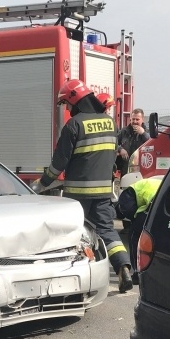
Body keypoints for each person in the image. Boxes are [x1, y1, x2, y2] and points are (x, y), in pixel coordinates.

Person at [32, 79, 133, 292]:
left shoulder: (74, 125)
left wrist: (41, 184)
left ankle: (78, 281)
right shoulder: (110, 123)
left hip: (78, 195)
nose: (68, 109)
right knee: (108, 231)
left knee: (75, 235)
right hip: (104, 192)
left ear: (75, 99)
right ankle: (123, 266)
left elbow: (59, 163)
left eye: (67, 104)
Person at [117, 174, 163, 284]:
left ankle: (138, 273)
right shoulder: (149, 184)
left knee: (135, 234)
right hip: (169, 202)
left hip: (155, 204)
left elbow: (130, 211)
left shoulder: (125, 196)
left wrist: (134, 219)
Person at [116, 108, 150, 177]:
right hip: (126, 170)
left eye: (137, 119)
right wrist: (120, 149)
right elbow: (114, 142)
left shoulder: (147, 132)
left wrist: (143, 133)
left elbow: (152, 143)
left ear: (142, 120)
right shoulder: (124, 131)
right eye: (133, 119)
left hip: (141, 171)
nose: (134, 121)